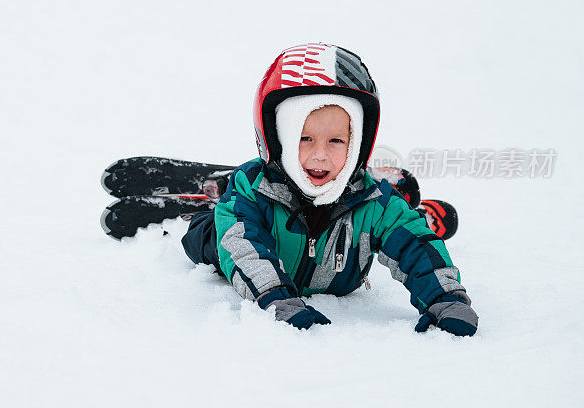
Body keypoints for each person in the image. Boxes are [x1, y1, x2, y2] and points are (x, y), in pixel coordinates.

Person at [181, 43, 478, 336]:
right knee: (202, 238)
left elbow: (415, 246)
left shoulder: (374, 202)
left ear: (357, 144)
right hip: (243, 239)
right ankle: (220, 201)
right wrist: (277, 298)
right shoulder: (254, 188)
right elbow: (246, 251)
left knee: (398, 219)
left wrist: (446, 298)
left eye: (336, 141)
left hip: (342, 262)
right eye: (304, 138)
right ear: (277, 138)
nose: (320, 154)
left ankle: (410, 208)